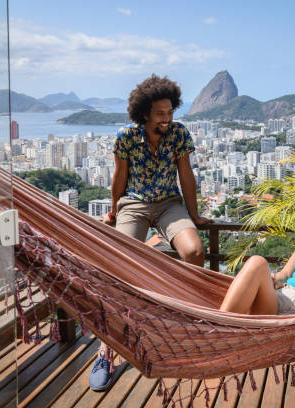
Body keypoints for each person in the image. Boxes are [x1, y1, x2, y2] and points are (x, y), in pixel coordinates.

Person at [90, 74, 212, 390]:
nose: (167, 119)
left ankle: (183, 319)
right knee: (120, 266)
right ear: (144, 113)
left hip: (170, 203)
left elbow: (186, 175)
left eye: (170, 112)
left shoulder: (179, 134)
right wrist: (115, 211)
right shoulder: (125, 137)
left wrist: (195, 215)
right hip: (134, 203)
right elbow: (119, 176)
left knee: (195, 252)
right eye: (160, 113)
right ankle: (106, 348)